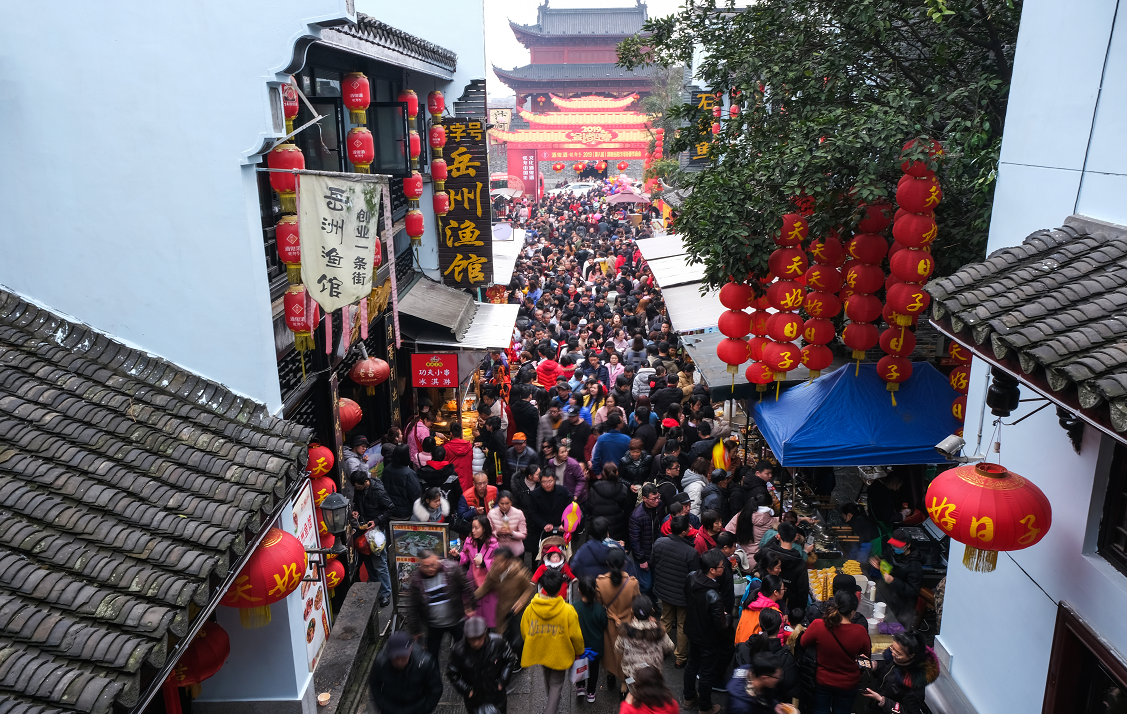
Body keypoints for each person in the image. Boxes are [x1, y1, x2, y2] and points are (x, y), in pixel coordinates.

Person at [520, 569, 586, 714]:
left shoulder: (531, 607)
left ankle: (552, 701)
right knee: (557, 683)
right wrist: (579, 651)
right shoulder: (568, 610)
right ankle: (551, 706)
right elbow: (576, 636)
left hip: (540, 650)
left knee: (548, 677)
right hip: (559, 653)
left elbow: (524, 630)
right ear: (559, 588)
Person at [799, 590, 871, 714]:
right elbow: (866, 657)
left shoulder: (818, 625)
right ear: (853, 612)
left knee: (820, 711)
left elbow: (803, 643)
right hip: (848, 683)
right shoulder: (860, 631)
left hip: (822, 680)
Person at [683, 549, 732, 714]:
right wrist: (728, 617)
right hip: (708, 639)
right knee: (706, 673)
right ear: (712, 570)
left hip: (692, 630)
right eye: (720, 566)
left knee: (691, 665)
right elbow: (722, 626)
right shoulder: (714, 597)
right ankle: (705, 707)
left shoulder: (691, 577)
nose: (723, 568)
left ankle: (689, 698)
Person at [649, 515, 700, 668]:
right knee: (682, 625)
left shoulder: (659, 543)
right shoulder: (691, 552)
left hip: (664, 590)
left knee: (665, 618)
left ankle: (662, 650)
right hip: (683, 595)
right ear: (685, 531)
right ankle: (680, 657)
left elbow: (653, 562)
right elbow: (694, 576)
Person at [406, 550, 476, 657]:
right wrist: (416, 630)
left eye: (433, 565)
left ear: (438, 561)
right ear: (420, 566)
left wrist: (469, 605)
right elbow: (413, 607)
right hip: (434, 624)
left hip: (457, 620)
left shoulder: (452, 569)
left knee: (464, 652)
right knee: (431, 656)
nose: (430, 569)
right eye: (426, 566)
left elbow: (466, 586)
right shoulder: (416, 581)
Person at [446, 616, 518, 714]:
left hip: (495, 694)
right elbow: (452, 673)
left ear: (485, 634)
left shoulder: (498, 642)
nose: (475, 643)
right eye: (472, 640)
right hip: (474, 699)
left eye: (479, 638)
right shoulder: (458, 651)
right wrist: (467, 690)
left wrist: (502, 681)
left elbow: (510, 659)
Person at [595, 548, 640, 694]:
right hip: (627, 623)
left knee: (610, 650)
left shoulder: (600, 583)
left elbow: (599, 603)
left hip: (609, 623)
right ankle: (624, 684)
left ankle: (609, 675)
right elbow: (637, 603)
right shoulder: (632, 583)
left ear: (607, 563)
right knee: (625, 653)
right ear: (624, 563)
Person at [860, 631, 939, 714]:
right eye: (892, 648)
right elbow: (887, 669)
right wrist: (873, 665)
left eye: (898, 653)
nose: (893, 654)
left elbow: (908, 712)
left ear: (912, 655)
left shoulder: (914, 685)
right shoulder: (897, 661)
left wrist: (882, 700)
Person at [733, 610, 799, 705]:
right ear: (780, 626)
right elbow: (792, 691)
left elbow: (737, 675)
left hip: (745, 700)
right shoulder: (785, 657)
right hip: (770, 705)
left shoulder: (744, 648)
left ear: (759, 624)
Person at [473, 545, 535, 646]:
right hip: (501, 613)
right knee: (502, 640)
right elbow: (485, 587)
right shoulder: (493, 573)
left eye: (500, 562)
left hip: (516, 615)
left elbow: (529, 588)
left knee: (518, 642)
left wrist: (521, 601)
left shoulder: (520, 574)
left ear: (508, 561)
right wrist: (471, 598)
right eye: (495, 562)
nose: (497, 565)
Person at [349, 470, 394, 608]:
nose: (356, 489)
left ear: (365, 483)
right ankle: (375, 589)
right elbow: (357, 503)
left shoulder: (378, 491)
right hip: (364, 530)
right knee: (368, 562)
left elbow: (390, 509)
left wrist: (376, 520)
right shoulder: (360, 490)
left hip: (377, 531)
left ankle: (386, 593)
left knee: (380, 563)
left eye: (358, 487)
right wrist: (356, 510)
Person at [615, 595, 674, 698]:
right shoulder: (658, 631)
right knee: (651, 697)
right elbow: (670, 647)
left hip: (632, 673)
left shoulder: (625, 632)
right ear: (652, 610)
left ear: (632, 610)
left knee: (635, 695)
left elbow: (618, 647)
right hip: (653, 674)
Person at [369, 631, 443, 714]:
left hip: (416, 709)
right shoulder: (380, 662)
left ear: (410, 649)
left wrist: (424, 710)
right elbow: (374, 684)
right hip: (390, 709)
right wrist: (383, 706)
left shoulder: (425, 662)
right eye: (395, 658)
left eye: (403, 657)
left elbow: (435, 689)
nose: (399, 662)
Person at [869, 528, 924, 628]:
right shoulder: (892, 551)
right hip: (888, 598)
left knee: (896, 632)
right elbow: (886, 560)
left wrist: (893, 581)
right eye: (893, 545)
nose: (894, 547)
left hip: (902, 606)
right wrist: (881, 564)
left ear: (908, 545)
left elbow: (913, 591)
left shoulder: (915, 566)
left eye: (898, 546)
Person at [763, 521, 813, 619]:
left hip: (768, 605)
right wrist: (799, 614)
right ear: (795, 537)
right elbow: (802, 592)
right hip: (790, 609)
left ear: (779, 536)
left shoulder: (769, 555)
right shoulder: (800, 562)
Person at [461, 516, 500, 628]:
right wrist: (458, 556)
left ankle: (486, 631)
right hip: (472, 578)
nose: (473, 530)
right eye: (472, 527)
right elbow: (465, 555)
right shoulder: (469, 541)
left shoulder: (494, 544)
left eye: (476, 528)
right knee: (473, 609)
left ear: (484, 528)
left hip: (487, 580)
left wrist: (484, 562)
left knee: (486, 611)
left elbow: (497, 563)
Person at [575, 576, 609, 703]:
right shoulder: (600, 609)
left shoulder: (574, 607)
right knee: (594, 670)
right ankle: (591, 692)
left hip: (579, 647)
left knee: (579, 666)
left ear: (579, 590)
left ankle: (580, 687)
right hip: (596, 647)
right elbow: (604, 625)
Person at [628, 484, 664, 596]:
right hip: (644, 555)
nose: (657, 501)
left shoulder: (659, 506)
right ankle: (644, 606)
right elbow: (635, 540)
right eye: (654, 499)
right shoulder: (637, 516)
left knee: (655, 582)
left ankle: (653, 605)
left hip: (656, 552)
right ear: (644, 498)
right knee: (646, 585)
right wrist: (641, 559)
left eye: (658, 497)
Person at [585, 465, 634, 545]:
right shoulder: (623, 488)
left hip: (599, 525)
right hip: (618, 525)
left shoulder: (594, 488)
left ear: (604, 473)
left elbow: (589, 506)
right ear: (617, 473)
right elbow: (628, 507)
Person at [734, 574, 787, 644]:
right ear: (775, 592)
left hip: (742, 648)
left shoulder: (750, 603)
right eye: (783, 588)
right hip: (759, 652)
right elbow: (777, 643)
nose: (784, 590)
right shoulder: (775, 614)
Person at [527, 471, 572, 549]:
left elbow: (571, 509)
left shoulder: (563, 491)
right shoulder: (535, 494)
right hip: (542, 530)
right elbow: (532, 513)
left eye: (550, 481)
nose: (547, 484)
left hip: (561, 528)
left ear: (554, 479)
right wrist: (543, 524)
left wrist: (565, 524)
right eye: (544, 482)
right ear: (539, 481)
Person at [384, 444, 422, 521]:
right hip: (404, 513)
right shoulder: (409, 473)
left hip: (388, 510)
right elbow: (416, 493)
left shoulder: (387, 469)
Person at [488, 491, 528, 559]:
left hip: (515, 551)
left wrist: (511, 533)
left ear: (511, 503)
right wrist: (497, 533)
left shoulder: (519, 513)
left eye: (507, 503)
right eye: (502, 503)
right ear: (498, 503)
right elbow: (488, 534)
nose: (504, 506)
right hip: (498, 550)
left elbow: (523, 534)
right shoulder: (491, 514)